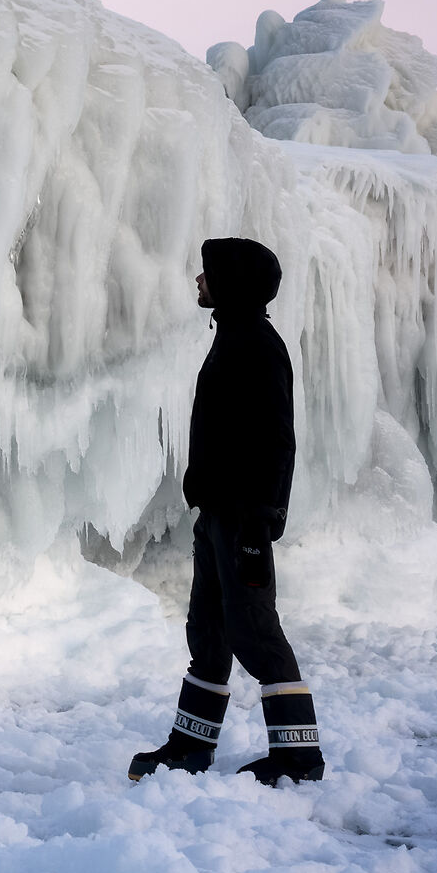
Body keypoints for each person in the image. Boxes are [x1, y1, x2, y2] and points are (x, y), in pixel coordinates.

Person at [128, 236, 325, 787]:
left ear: (231, 283)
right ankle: (190, 748)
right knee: (208, 633)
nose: (198, 280)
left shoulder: (259, 345)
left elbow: (277, 439)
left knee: (255, 632)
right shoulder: (234, 337)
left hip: (244, 519)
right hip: (219, 513)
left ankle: (298, 757)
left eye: (207, 273)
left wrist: (264, 515)